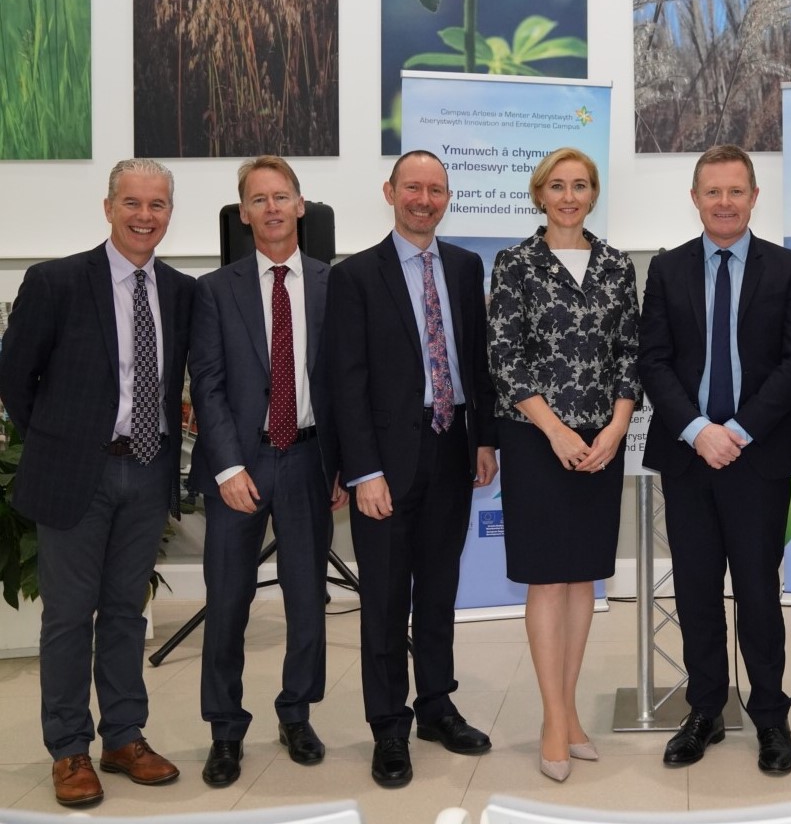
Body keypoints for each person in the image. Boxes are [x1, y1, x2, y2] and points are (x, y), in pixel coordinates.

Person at [0, 159, 193, 807]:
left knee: (123, 613)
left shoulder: (179, 291)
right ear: (108, 207)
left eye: (157, 205)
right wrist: (64, 439)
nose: (145, 216)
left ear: (170, 212)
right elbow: (16, 379)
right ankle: (69, 749)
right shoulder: (55, 282)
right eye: (133, 203)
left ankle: (124, 737)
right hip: (74, 473)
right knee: (66, 618)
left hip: (148, 470)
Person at [638, 144, 791, 775]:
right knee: (694, 592)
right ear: (694, 198)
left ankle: (770, 714)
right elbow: (653, 360)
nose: (723, 202)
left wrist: (736, 430)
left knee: (758, 595)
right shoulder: (667, 269)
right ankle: (705, 709)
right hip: (690, 457)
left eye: (735, 191)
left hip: (757, 456)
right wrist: (695, 429)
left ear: (753, 197)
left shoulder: (790, 269)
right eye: (711, 192)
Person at [325, 149, 499, 788]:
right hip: (386, 466)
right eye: (413, 188)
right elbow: (345, 382)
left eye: (436, 190)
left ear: (447, 197)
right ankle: (389, 726)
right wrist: (363, 471)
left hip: (453, 451)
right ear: (390, 192)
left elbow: (475, 364)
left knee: (439, 593)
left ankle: (436, 708)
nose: (424, 199)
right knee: (385, 598)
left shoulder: (463, 266)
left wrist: (484, 441)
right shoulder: (355, 277)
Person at [188, 156, 347, 787]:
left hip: (311, 460)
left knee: (308, 599)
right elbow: (209, 384)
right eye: (259, 200)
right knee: (228, 603)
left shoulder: (335, 284)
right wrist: (227, 465)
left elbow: (342, 383)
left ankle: (296, 713)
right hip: (240, 463)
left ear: (301, 206)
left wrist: (348, 465)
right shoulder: (214, 290)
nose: (273, 209)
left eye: (283, 197)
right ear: (244, 213)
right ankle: (225, 730)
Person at [487, 148, 640, 782]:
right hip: (535, 441)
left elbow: (631, 352)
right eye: (558, 186)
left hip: (601, 442)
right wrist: (553, 431)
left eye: (580, 186)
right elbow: (506, 357)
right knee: (547, 579)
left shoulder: (615, 266)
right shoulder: (515, 264)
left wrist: (617, 428)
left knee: (583, 579)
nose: (569, 196)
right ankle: (553, 719)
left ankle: (569, 710)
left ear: (593, 193)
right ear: (539, 194)